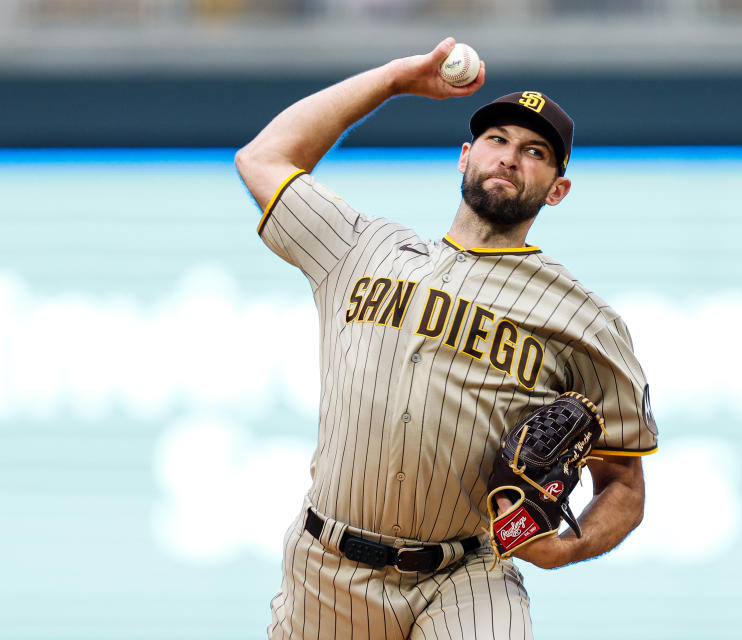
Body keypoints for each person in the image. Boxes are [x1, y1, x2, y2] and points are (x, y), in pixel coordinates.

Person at [235, 37, 658, 640]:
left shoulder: (583, 320)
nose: (510, 158)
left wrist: (567, 548)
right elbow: (264, 157)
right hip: (325, 569)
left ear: (558, 188)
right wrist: (393, 79)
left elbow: (625, 485)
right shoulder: (360, 247)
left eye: (535, 151)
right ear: (465, 156)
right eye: (497, 140)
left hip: (467, 574)